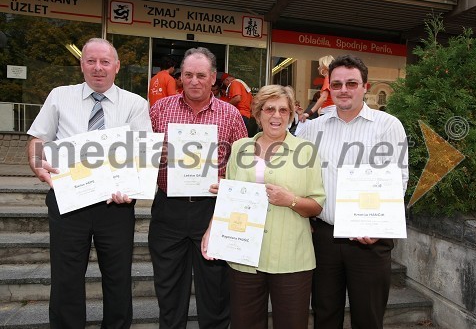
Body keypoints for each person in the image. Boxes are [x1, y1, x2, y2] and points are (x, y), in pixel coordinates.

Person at [26, 37, 152, 328]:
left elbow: (143, 155)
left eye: (105, 62)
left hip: (115, 206)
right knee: (66, 278)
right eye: (91, 61)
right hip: (68, 202)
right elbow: (37, 140)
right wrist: (36, 162)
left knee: (118, 278)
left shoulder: (135, 104)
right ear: (81, 64)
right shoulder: (60, 96)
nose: (98, 68)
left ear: (117, 67)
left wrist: (133, 190)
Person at [298, 54, 409, 329]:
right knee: (325, 315)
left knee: (368, 318)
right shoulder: (312, 129)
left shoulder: (388, 125)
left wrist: (379, 226)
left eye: (351, 83)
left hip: (370, 238)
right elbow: (296, 175)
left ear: (365, 87)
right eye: (336, 84)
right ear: (329, 88)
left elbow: (399, 178)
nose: (343, 90)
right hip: (325, 238)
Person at [202, 84, 326, 329]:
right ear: (258, 114)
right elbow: (229, 200)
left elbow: (316, 206)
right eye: (269, 109)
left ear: (291, 115)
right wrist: (211, 229)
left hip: (292, 258)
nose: (276, 116)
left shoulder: (307, 151)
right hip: (244, 255)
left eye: (283, 110)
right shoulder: (240, 148)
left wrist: (289, 200)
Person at [148, 47, 248, 329]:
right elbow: (141, 159)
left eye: (201, 75)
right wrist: (158, 158)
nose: (194, 81)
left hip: (212, 211)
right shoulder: (159, 110)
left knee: (216, 292)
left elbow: (243, 165)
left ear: (213, 77)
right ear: (181, 77)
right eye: (188, 75)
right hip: (169, 209)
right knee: (168, 291)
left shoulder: (231, 115)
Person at [300, 55, 335, 121]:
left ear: (324, 66)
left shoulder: (328, 78)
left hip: (327, 112)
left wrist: (309, 113)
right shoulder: (332, 78)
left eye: (320, 65)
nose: (318, 68)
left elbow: (323, 98)